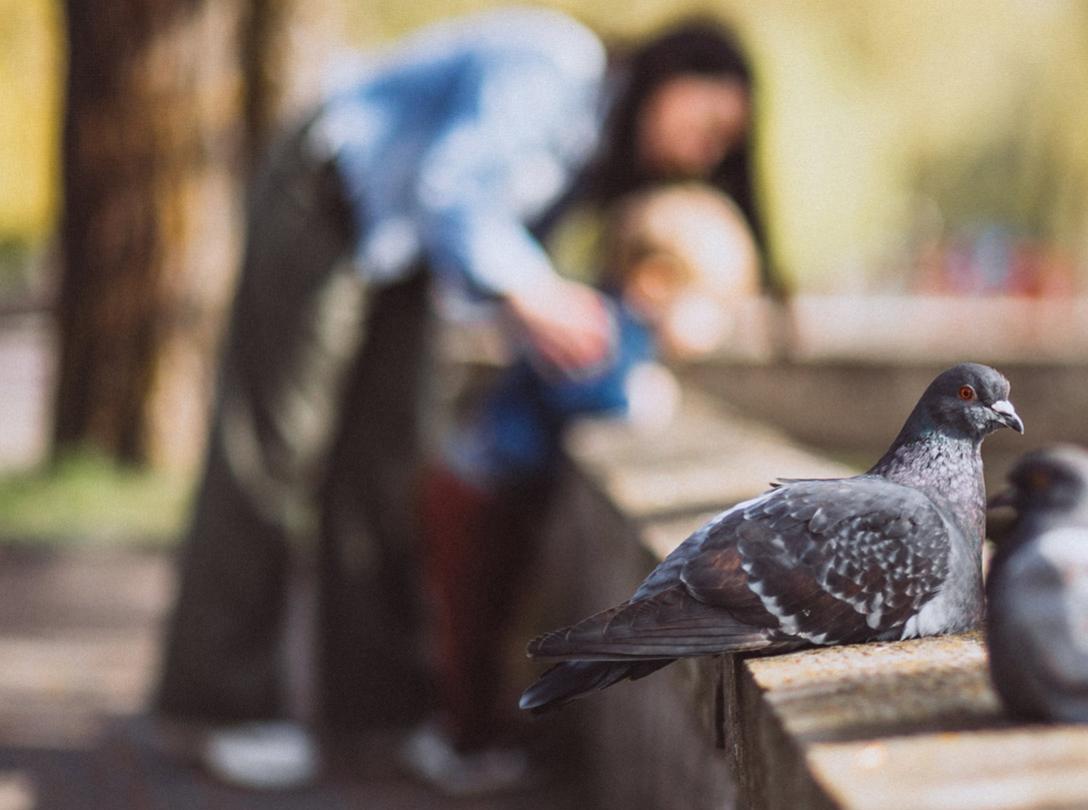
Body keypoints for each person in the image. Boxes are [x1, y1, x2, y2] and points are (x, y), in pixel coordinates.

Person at [151, 9, 772, 790]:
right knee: (274, 450)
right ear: (671, 75)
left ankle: (379, 715)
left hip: (400, 251)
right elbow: (455, 187)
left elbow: (482, 261)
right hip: (329, 197)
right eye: (709, 122)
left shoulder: (589, 159)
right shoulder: (558, 69)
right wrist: (536, 293)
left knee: (384, 471)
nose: (705, 152)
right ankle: (215, 706)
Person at [406, 184, 758, 794]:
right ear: (655, 281)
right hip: (476, 492)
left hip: (488, 488)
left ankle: (469, 733)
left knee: (487, 617)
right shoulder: (601, 326)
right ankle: (457, 742)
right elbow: (584, 392)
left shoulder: (619, 327)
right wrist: (635, 398)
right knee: (471, 621)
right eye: (713, 306)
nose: (720, 325)